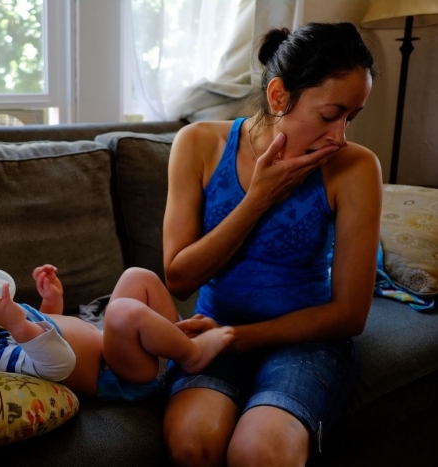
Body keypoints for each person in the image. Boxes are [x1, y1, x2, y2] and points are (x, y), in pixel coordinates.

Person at [160, 22, 382, 466]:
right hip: (214, 325)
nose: (339, 136)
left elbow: (350, 314)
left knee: (259, 451)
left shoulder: (355, 168)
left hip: (307, 342)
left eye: (350, 118)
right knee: (192, 440)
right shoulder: (199, 144)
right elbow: (179, 277)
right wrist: (258, 198)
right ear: (279, 96)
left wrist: (235, 338)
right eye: (329, 114)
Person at [0, 264, 234, 402]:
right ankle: (189, 356)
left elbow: (51, 330)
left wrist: (51, 302)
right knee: (123, 311)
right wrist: (14, 320)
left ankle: (174, 334)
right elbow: (55, 362)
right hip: (119, 371)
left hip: (108, 338)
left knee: (137, 277)